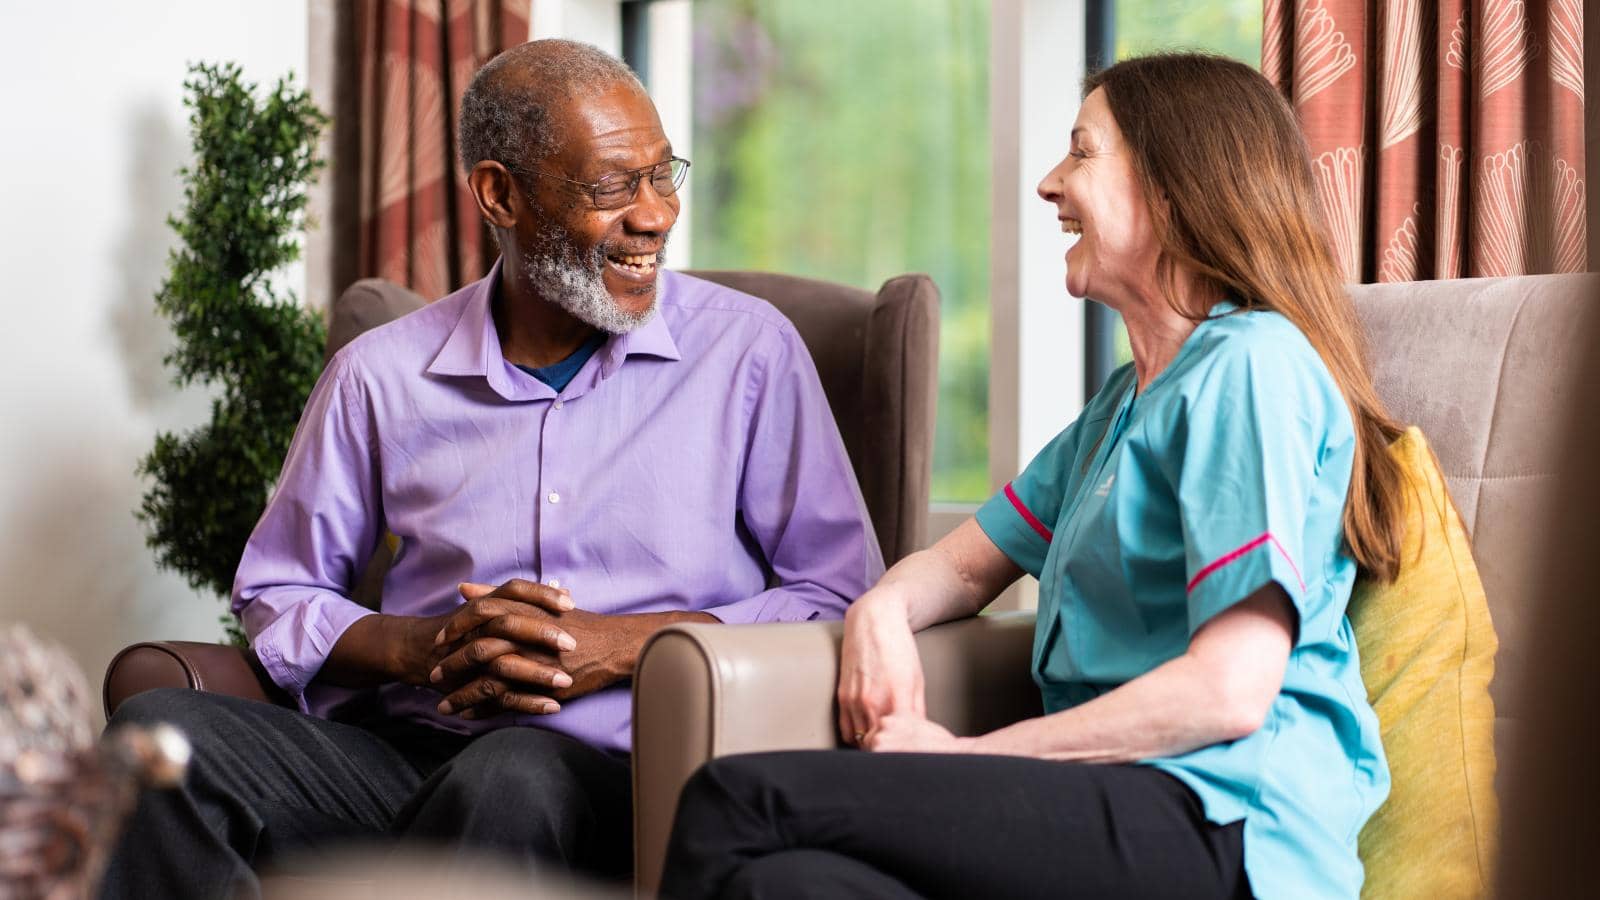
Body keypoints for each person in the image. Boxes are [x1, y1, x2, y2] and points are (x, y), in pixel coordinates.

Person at [101, 39, 882, 898]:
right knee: (156, 738)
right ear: (499, 193)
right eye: (615, 185)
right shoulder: (380, 375)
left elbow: (841, 598)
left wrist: (628, 646)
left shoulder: (748, 353)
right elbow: (279, 592)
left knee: (511, 775)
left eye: (665, 175)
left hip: (631, 771)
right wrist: (418, 647)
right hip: (409, 755)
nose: (656, 214)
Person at [661, 52, 1406, 900]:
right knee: (790, 885)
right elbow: (963, 565)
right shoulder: (1128, 399)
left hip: (1224, 823)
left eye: (1083, 153)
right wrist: (877, 612)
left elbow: (1229, 692)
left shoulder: (1249, 368)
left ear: (1173, 188)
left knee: (737, 800)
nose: (1051, 183)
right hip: (1118, 803)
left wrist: (964, 759)